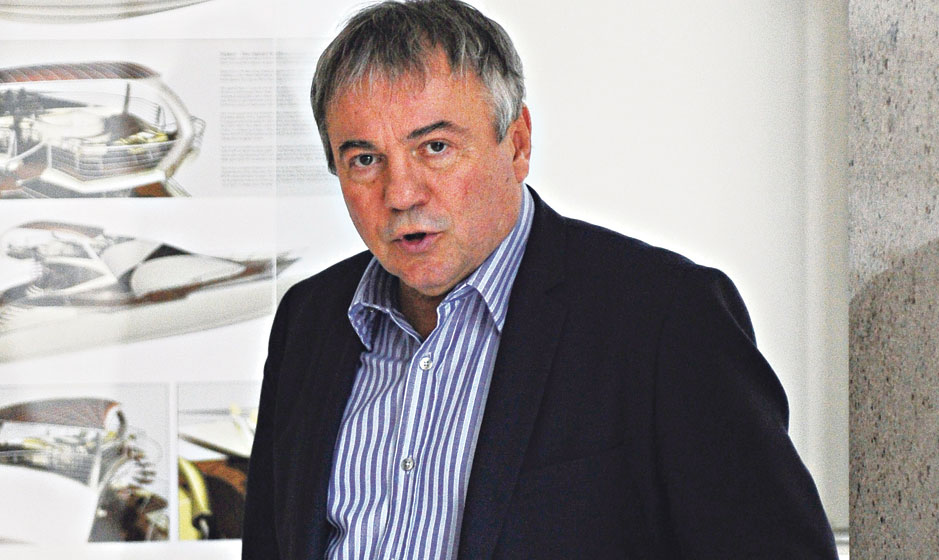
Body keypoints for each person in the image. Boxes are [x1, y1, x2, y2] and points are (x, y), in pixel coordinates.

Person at [242, 1, 838, 558]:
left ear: (518, 144)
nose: (400, 194)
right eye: (365, 160)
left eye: (436, 147)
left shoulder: (666, 318)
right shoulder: (309, 321)